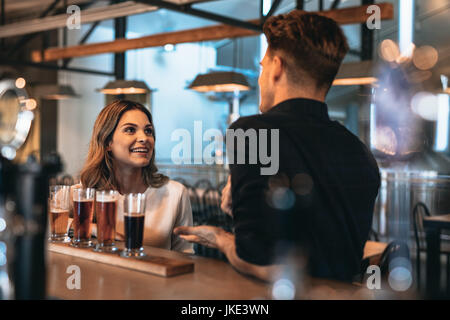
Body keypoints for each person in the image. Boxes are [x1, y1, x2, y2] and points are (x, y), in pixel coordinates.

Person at [174, 11, 381, 281]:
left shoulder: (251, 131)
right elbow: (322, 234)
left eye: (262, 67)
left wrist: (222, 239)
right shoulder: (359, 150)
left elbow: (261, 260)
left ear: (277, 67)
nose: (260, 79)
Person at [79, 99, 193, 253]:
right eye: (130, 130)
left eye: (148, 131)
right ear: (107, 142)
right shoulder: (84, 194)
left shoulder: (175, 193)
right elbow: (43, 222)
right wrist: (91, 228)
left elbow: (185, 255)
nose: (144, 138)